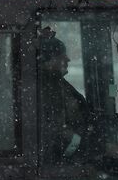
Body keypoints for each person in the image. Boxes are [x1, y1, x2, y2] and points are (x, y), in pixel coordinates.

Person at [37, 29, 89, 164]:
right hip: (62, 163)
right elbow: (56, 132)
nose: (68, 59)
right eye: (61, 54)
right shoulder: (46, 89)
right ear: (48, 60)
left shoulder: (56, 83)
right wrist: (97, 149)